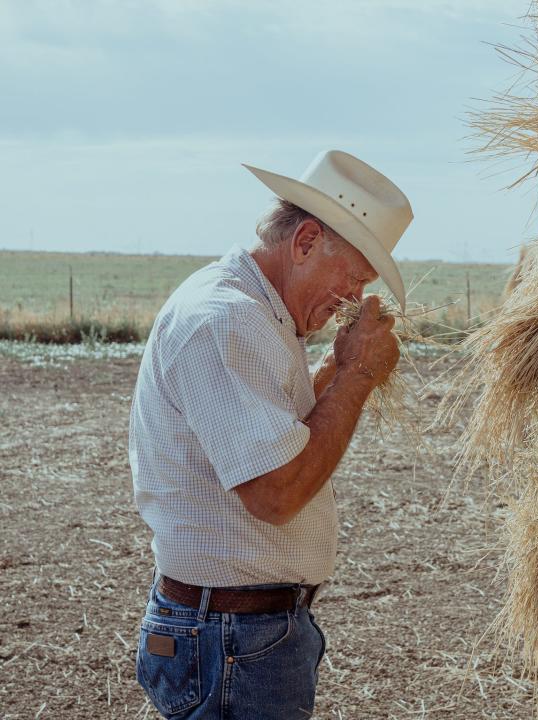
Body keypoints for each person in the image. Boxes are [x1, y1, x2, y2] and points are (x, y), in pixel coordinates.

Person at [128, 150, 412, 718]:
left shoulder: (253, 313)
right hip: (232, 640)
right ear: (305, 242)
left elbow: (264, 423)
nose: (354, 299)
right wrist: (356, 375)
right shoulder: (226, 318)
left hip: (237, 634)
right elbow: (276, 493)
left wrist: (333, 370)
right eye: (353, 278)